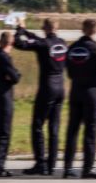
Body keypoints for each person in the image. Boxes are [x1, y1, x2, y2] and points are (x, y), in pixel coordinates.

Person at [14, 18, 67, 175]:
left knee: (37, 126)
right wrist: (26, 31)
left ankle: (40, 163)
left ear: (44, 27)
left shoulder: (43, 45)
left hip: (47, 87)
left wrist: (19, 30)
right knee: (54, 128)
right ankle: (51, 165)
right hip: (61, 87)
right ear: (56, 27)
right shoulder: (62, 43)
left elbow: (19, 43)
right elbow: (39, 40)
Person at [63, 19, 96, 179]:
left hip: (75, 89)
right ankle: (87, 168)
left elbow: (68, 71)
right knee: (90, 131)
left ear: (82, 29)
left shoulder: (72, 48)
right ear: (95, 30)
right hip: (91, 91)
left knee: (72, 130)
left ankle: (67, 168)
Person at [0, 32, 20, 177]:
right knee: (4, 133)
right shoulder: (4, 57)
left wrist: (12, 75)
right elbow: (14, 77)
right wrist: (16, 74)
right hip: (5, 97)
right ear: (11, 43)